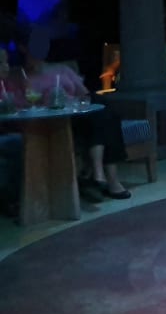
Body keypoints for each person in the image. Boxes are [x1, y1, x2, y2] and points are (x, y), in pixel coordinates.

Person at [6, 27, 132, 199]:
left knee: (103, 111)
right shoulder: (18, 77)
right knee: (104, 116)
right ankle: (108, 179)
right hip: (54, 123)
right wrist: (44, 100)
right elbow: (17, 107)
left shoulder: (62, 69)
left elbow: (85, 95)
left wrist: (73, 101)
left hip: (78, 114)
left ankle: (99, 175)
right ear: (23, 48)